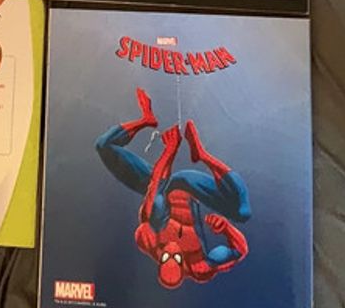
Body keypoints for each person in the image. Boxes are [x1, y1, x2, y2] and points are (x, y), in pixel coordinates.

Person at [95, 88, 251, 289]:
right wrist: (226, 228)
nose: (171, 250)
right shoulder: (198, 266)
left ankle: (146, 119)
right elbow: (240, 251)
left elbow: (156, 190)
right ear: (183, 265)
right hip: (187, 186)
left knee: (103, 145)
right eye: (176, 258)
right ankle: (202, 155)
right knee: (242, 211)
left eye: (165, 257)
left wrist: (169, 151)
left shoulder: (149, 239)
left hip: (157, 183)